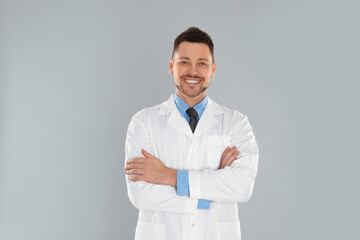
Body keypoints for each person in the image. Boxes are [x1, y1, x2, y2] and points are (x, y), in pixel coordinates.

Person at [124, 27, 259, 240]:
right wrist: (211, 194)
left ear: (213, 69)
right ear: (171, 66)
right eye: (184, 62)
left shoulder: (236, 123)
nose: (193, 72)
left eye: (202, 63)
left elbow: (242, 187)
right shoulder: (143, 122)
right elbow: (141, 194)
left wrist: (167, 176)